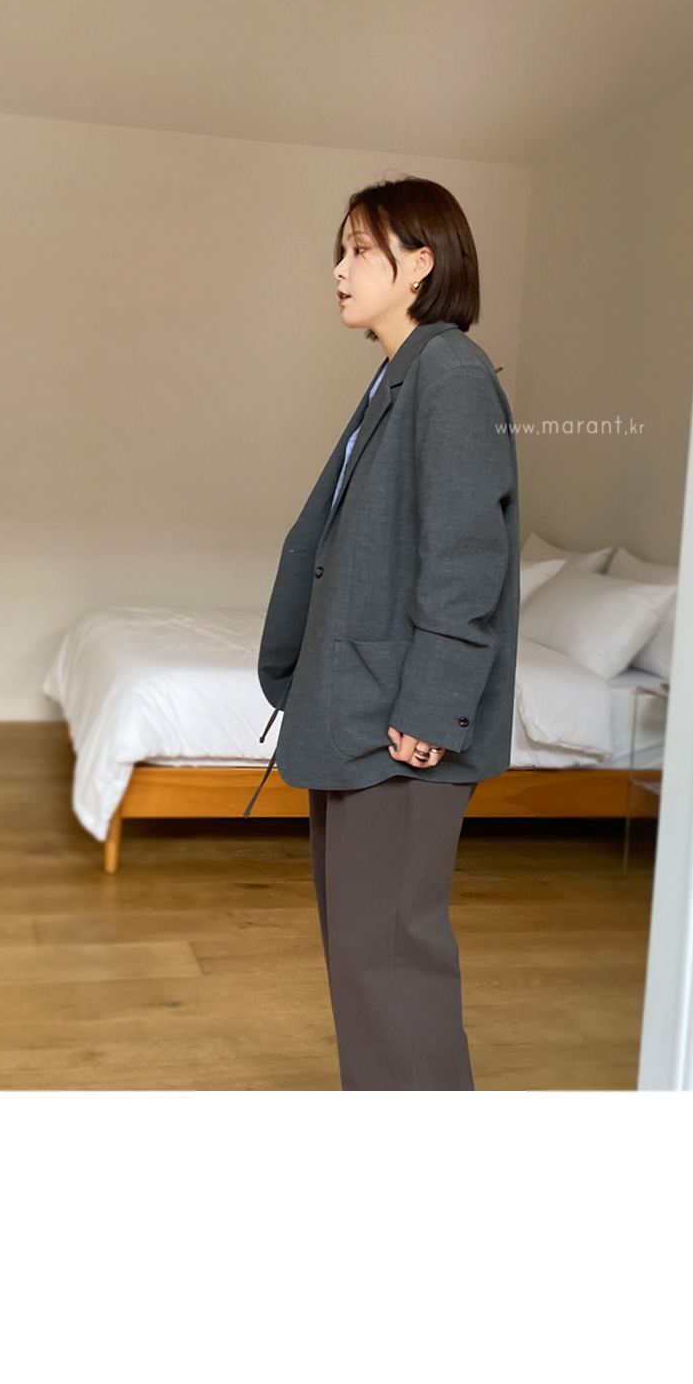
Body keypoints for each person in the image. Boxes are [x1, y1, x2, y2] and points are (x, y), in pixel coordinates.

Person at [258, 175, 520, 1091]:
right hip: (360, 710)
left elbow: (465, 555)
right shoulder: (400, 374)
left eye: (360, 250)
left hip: (399, 723)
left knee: (391, 963)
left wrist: (433, 706)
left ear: (420, 265)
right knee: (365, 957)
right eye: (340, 250)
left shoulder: (450, 373)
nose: (339, 269)